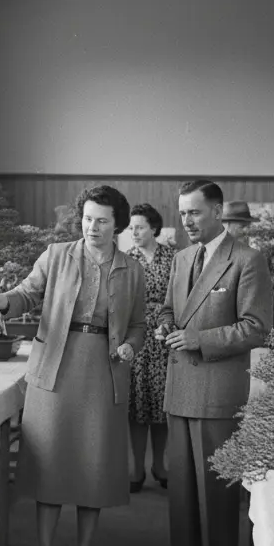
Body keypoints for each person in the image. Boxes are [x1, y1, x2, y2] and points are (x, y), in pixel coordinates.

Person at [0, 185, 146, 546]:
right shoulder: (56, 255)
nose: (92, 227)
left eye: (102, 221)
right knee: (50, 467)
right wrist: (2, 301)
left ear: (118, 225)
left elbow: (139, 324)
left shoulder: (132, 269)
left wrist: (131, 345)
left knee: (94, 468)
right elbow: (25, 294)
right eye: (87, 219)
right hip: (54, 368)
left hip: (104, 372)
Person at [152, 180, 273, 546]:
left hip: (218, 387)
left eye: (195, 212)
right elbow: (170, 309)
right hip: (180, 384)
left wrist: (198, 339)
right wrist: (165, 326)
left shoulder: (247, 260)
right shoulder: (182, 257)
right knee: (182, 483)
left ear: (218, 212)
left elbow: (256, 328)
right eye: (183, 212)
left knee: (217, 487)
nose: (187, 220)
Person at [126, 203, 176, 492]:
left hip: (164, 337)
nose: (134, 232)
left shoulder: (173, 258)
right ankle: (136, 468)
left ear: (154, 228)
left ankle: (159, 464)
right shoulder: (125, 259)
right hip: (134, 337)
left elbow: (181, 298)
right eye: (131, 227)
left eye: (140, 227)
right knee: (136, 406)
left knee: (160, 406)